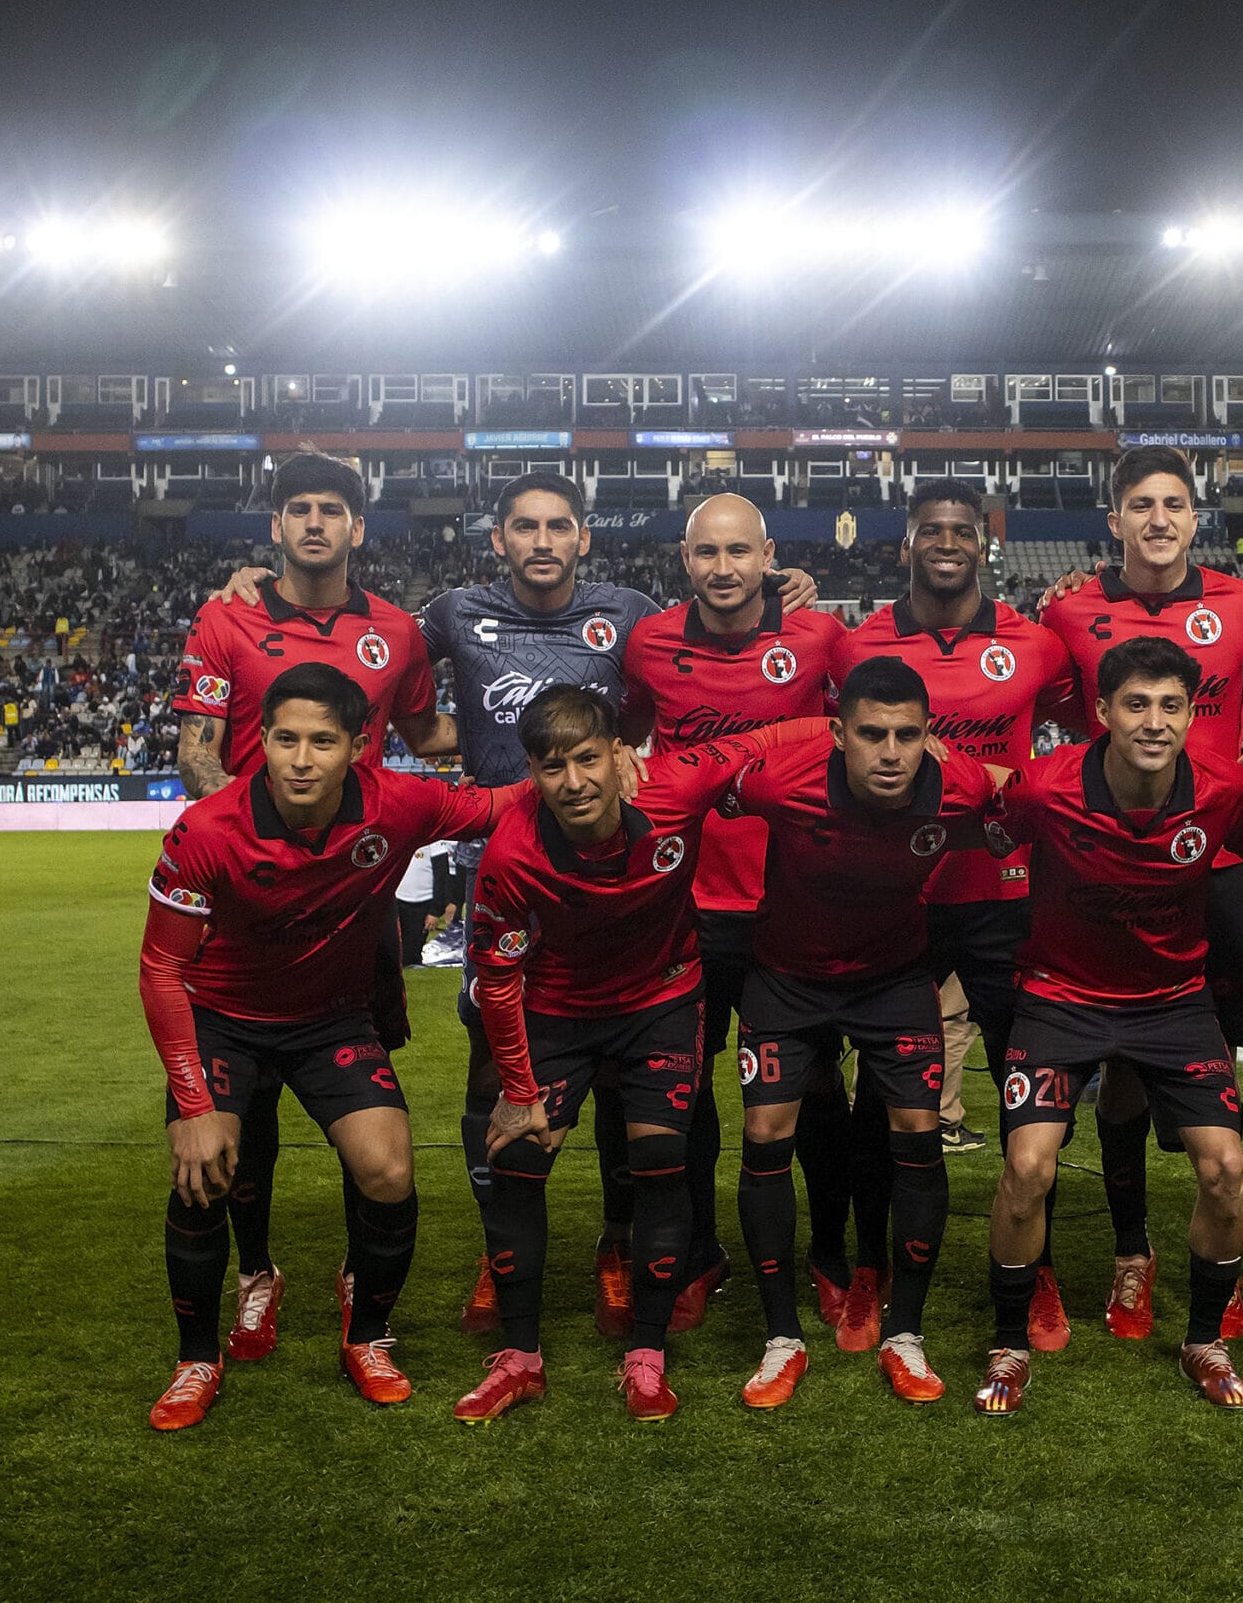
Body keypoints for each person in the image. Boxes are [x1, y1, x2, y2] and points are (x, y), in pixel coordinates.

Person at [213, 470, 819, 1340]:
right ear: (497, 538)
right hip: (501, 869)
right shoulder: (453, 613)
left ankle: (619, 1244)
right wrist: (253, 589)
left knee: (628, 1078)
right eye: (524, 527)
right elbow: (380, 676)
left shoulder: (634, 614)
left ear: (583, 537)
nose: (542, 541)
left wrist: (787, 591)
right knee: (492, 1066)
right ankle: (500, 1262)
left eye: (558, 526)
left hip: (612, 873)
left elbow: (673, 690)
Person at [138, 664, 514, 1431]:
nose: (300, 759)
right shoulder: (206, 830)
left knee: (389, 1168)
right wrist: (192, 1102)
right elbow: (162, 969)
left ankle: (368, 1333)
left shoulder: (399, 802)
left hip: (332, 1020)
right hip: (224, 1019)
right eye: (284, 739)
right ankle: (196, 1357)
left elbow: (503, 804)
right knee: (204, 1173)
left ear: (359, 747)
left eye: (321, 741)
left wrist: (610, 764)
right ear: (261, 742)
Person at [450, 687, 823, 1425]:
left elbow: (768, 736)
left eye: (589, 758)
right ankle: (520, 1357)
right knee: (519, 1162)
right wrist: (520, 1089)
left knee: (661, 1164)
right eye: (553, 767)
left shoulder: (677, 783)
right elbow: (496, 980)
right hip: (556, 1012)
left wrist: (839, 727)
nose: (575, 781)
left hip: (661, 1001)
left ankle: (646, 1356)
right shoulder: (510, 854)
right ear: (531, 771)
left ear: (621, 755)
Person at [172, 452, 451, 1361]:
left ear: (359, 528)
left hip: (353, 902)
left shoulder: (399, 632)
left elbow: (423, 733)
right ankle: (257, 1273)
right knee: (241, 1123)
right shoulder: (227, 616)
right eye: (299, 508)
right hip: (250, 901)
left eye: (334, 508)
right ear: (277, 526)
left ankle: (352, 1278)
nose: (317, 522)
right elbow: (198, 752)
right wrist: (254, 849)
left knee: (361, 1123)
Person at [975, 637, 1243, 1415]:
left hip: (1174, 1001)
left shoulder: (1225, 789)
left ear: (1190, 712)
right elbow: (995, 832)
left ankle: (1204, 1339)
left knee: (1225, 1170)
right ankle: (1007, 1344)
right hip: (1060, 997)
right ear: (1102, 712)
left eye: (1171, 705)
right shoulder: (1046, 786)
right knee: (1028, 1167)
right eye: (1136, 703)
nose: (1154, 721)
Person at [704, 657, 1003, 1407]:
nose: (892, 751)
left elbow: (1024, 798)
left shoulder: (959, 784)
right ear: (840, 733)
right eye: (872, 734)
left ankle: (906, 1333)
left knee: (918, 1128)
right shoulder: (781, 780)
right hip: (784, 977)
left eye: (908, 734)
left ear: (929, 735)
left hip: (894, 979)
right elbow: (707, 784)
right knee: (767, 1129)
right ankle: (780, 1337)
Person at [831, 480, 1077, 1352]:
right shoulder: (854, 642)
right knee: (879, 1097)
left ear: (984, 543)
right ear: (905, 544)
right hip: (895, 894)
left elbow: (1079, 739)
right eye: (930, 530)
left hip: (1006, 897)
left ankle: (1035, 1268)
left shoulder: (1037, 645)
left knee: (1029, 1087)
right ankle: (872, 1266)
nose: (946, 542)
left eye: (961, 531)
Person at [1037, 448, 1243, 1340]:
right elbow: (1045, 703)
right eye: (1141, 504)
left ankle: (1222, 1249)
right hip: (1115, 866)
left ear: (1196, 515)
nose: (1160, 519)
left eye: (1175, 503)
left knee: (1220, 1063)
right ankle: (1133, 1251)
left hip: (1216, 865)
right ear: (1115, 519)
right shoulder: (1067, 607)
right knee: (1125, 1067)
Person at [620, 493, 850, 1330]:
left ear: (769, 557)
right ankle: (701, 1251)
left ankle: (829, 1255)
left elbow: (867, 725)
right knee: (685, 1091)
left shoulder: (820, 638)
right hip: (688, 905)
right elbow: (632, 739)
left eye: (739, 552)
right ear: (685, 559)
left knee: (819, 1089)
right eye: (707, 553)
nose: (723, 569)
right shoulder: (648, 643)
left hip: (801, 904)